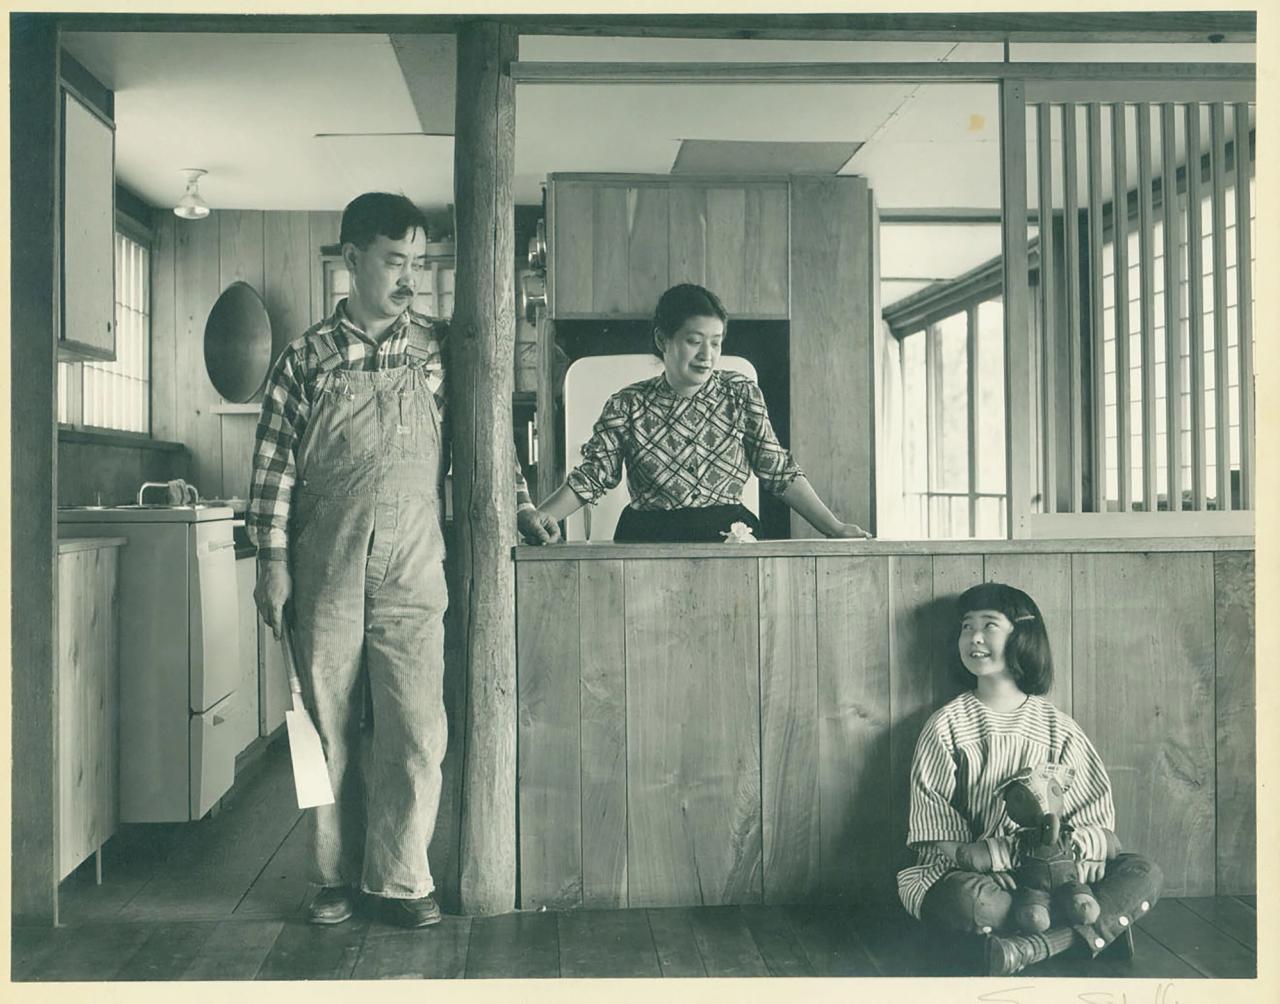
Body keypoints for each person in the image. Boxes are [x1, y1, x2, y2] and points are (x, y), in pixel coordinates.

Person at [247, 192, 559, 929]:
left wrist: (518, 503)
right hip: (323, 560)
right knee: (323, 728)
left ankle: (399, 878)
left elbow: (487, 442)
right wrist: (271, 559)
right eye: (395, 261)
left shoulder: (439, 350)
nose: (409, 276)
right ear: (351, 260)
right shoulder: (307, 358)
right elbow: (273, 468)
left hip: (417, 558)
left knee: (418, 727)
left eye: (418, 262)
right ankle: (332, 878)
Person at [897, 582, 1164, 976]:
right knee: (971, 903)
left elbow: (1094, 817)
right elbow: (937, 828)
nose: (974, 638)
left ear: (1023, 636)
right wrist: (996, 867)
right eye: (966, 627)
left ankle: (1031, 946)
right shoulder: (946, 726)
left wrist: (1068, 861)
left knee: (1145, 873)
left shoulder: (1059, 727)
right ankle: (1088, 934)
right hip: (983, 877)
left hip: (1058, 877)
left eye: (990, 625)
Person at [528, 283, 870, 543]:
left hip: (730, 539)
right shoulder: (626, 405)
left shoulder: (740, 393)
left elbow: (777, 470)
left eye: (716, 342)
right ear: (664, 340)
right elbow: (592, 476)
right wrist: (542, 516)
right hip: (648, 541)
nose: (708, 354)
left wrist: (835, 528)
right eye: (694, 341)